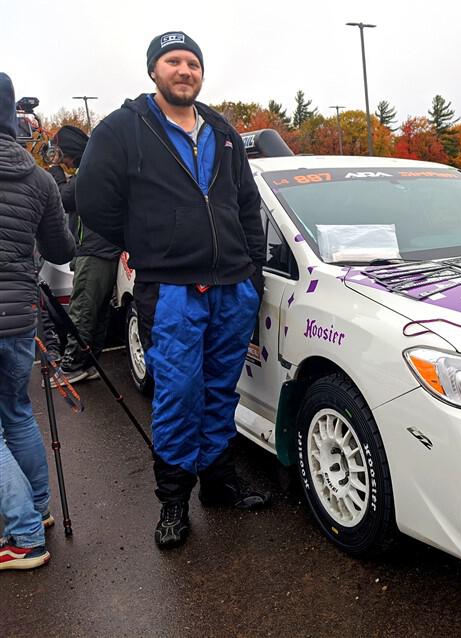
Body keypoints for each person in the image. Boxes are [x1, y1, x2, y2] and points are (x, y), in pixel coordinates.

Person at [75, 31, 270, 549]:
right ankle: (173, 503)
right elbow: (93, 201)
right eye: (173, 61)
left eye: (192, 63)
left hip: (231, 285)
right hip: (171, 290)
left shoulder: (222, 130)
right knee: (177, 395)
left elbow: (246, 203)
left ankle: (219, 482)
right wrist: (146, 242)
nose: (184, 70)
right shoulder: (122, 129)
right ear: (153, 70)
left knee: (218, 390)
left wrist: (249, 265)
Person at [0, 72, 75, 570]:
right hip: (19, 317)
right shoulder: (39, 176)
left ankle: (23, 537)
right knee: (16, 411)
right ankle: (38, 511)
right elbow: (63, 250)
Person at [48, 125, 122, 384]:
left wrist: (55, 170)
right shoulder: (94, 168)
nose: (58, 158)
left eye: (59, 153)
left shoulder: (90, 172)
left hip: (95, 250)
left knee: (83, 309)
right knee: (97, 311)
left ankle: (71, 367)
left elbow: (60, 198)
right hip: (102, 249)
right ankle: (87, 363)